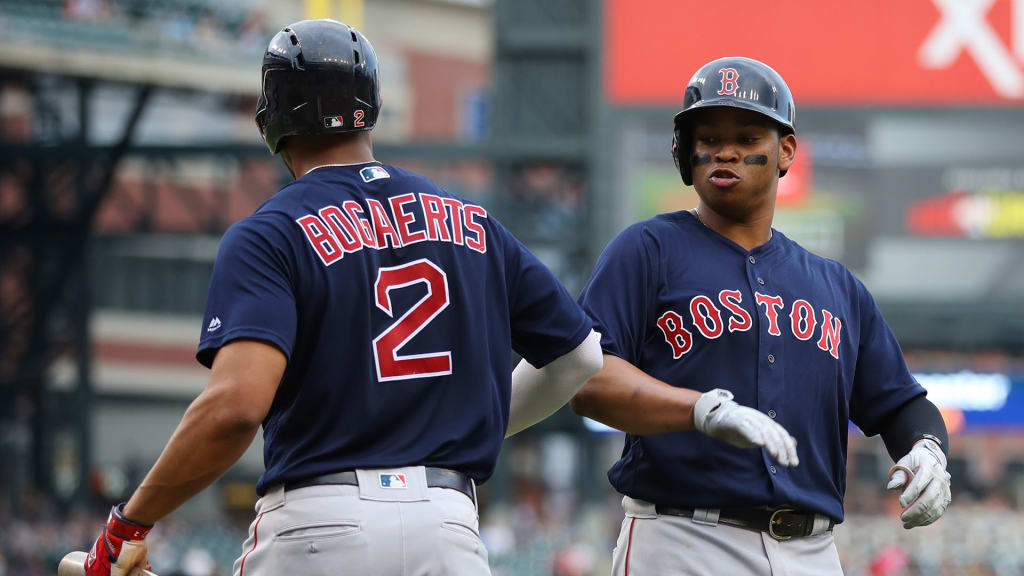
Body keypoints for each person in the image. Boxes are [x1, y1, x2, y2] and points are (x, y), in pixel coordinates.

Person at [80, 19, 602, 576]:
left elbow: (234, 409)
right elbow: (582, 358)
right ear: (371, 104)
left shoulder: (270, 231)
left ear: (271, 118)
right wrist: (465, 427)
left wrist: (126, 525)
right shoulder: (471, 218)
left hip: (321, 525)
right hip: (448, 526)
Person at [570, 56, 951, 576]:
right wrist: (699, 409)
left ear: (785, 151)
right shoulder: (647, 250)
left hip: (813, 552)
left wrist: (929, 449)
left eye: (748, 137)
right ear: (687, 152)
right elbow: (587, 377)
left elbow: (900, 405)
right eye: (709, 137)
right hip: (683, 538)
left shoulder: (837, 287)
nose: (726, 151)